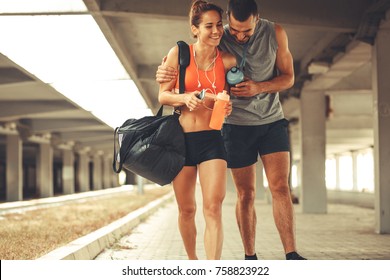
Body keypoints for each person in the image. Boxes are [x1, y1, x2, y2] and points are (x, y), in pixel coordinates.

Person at [157, 0, 306, 260]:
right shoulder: (214, 39)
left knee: (276, 188)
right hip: (231, 128)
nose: (237, 36)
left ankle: (290, 254)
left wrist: (257, 88)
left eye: (246, 32)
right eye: (232, 30)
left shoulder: (267, 37)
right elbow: (167, 90)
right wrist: (173, 82)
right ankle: (243, 257)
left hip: (265, 120)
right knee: (227, 198)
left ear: (257, 19)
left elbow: (289, 77)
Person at [158, 0, 236, 260]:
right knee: (187, 210)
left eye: (219, 25)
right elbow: (163, 96)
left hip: (212, 139)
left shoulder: (226, 60)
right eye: (209, 26)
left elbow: (228, 98)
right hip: (181, 142)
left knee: (213, 208)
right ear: (195, 29)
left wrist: (226, 108)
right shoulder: (178, 54)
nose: (216, 31)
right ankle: (193, 263)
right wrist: (184, 98)